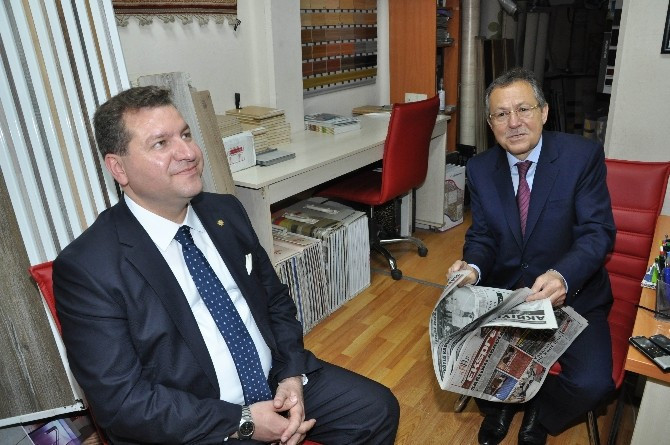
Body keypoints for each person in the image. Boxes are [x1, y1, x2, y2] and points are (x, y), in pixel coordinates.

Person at [53, 86, 399, 445]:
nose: (188, 152)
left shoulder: (225, 212)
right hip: (194, 418)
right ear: (118, 168)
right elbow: (123, 404)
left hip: (274, 380)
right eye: (161, 144)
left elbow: (275, 302)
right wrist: (243, 420)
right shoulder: (87, 268)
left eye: (186, 135)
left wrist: (291, 376)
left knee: (376, 411)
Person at [448, 67, 616, 445]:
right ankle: (502, 405)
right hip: (507, 295)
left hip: (572, 296)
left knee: (592, 383)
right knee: (464, 358)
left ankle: (540, 410)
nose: (514, 123)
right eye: (501, 114)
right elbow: (483, 235)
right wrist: (472, 268)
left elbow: (597, 232)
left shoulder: (581, 156)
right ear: (490, 124)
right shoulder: (480, 168)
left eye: (523, 109)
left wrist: (563, 276)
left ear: (544, 112)